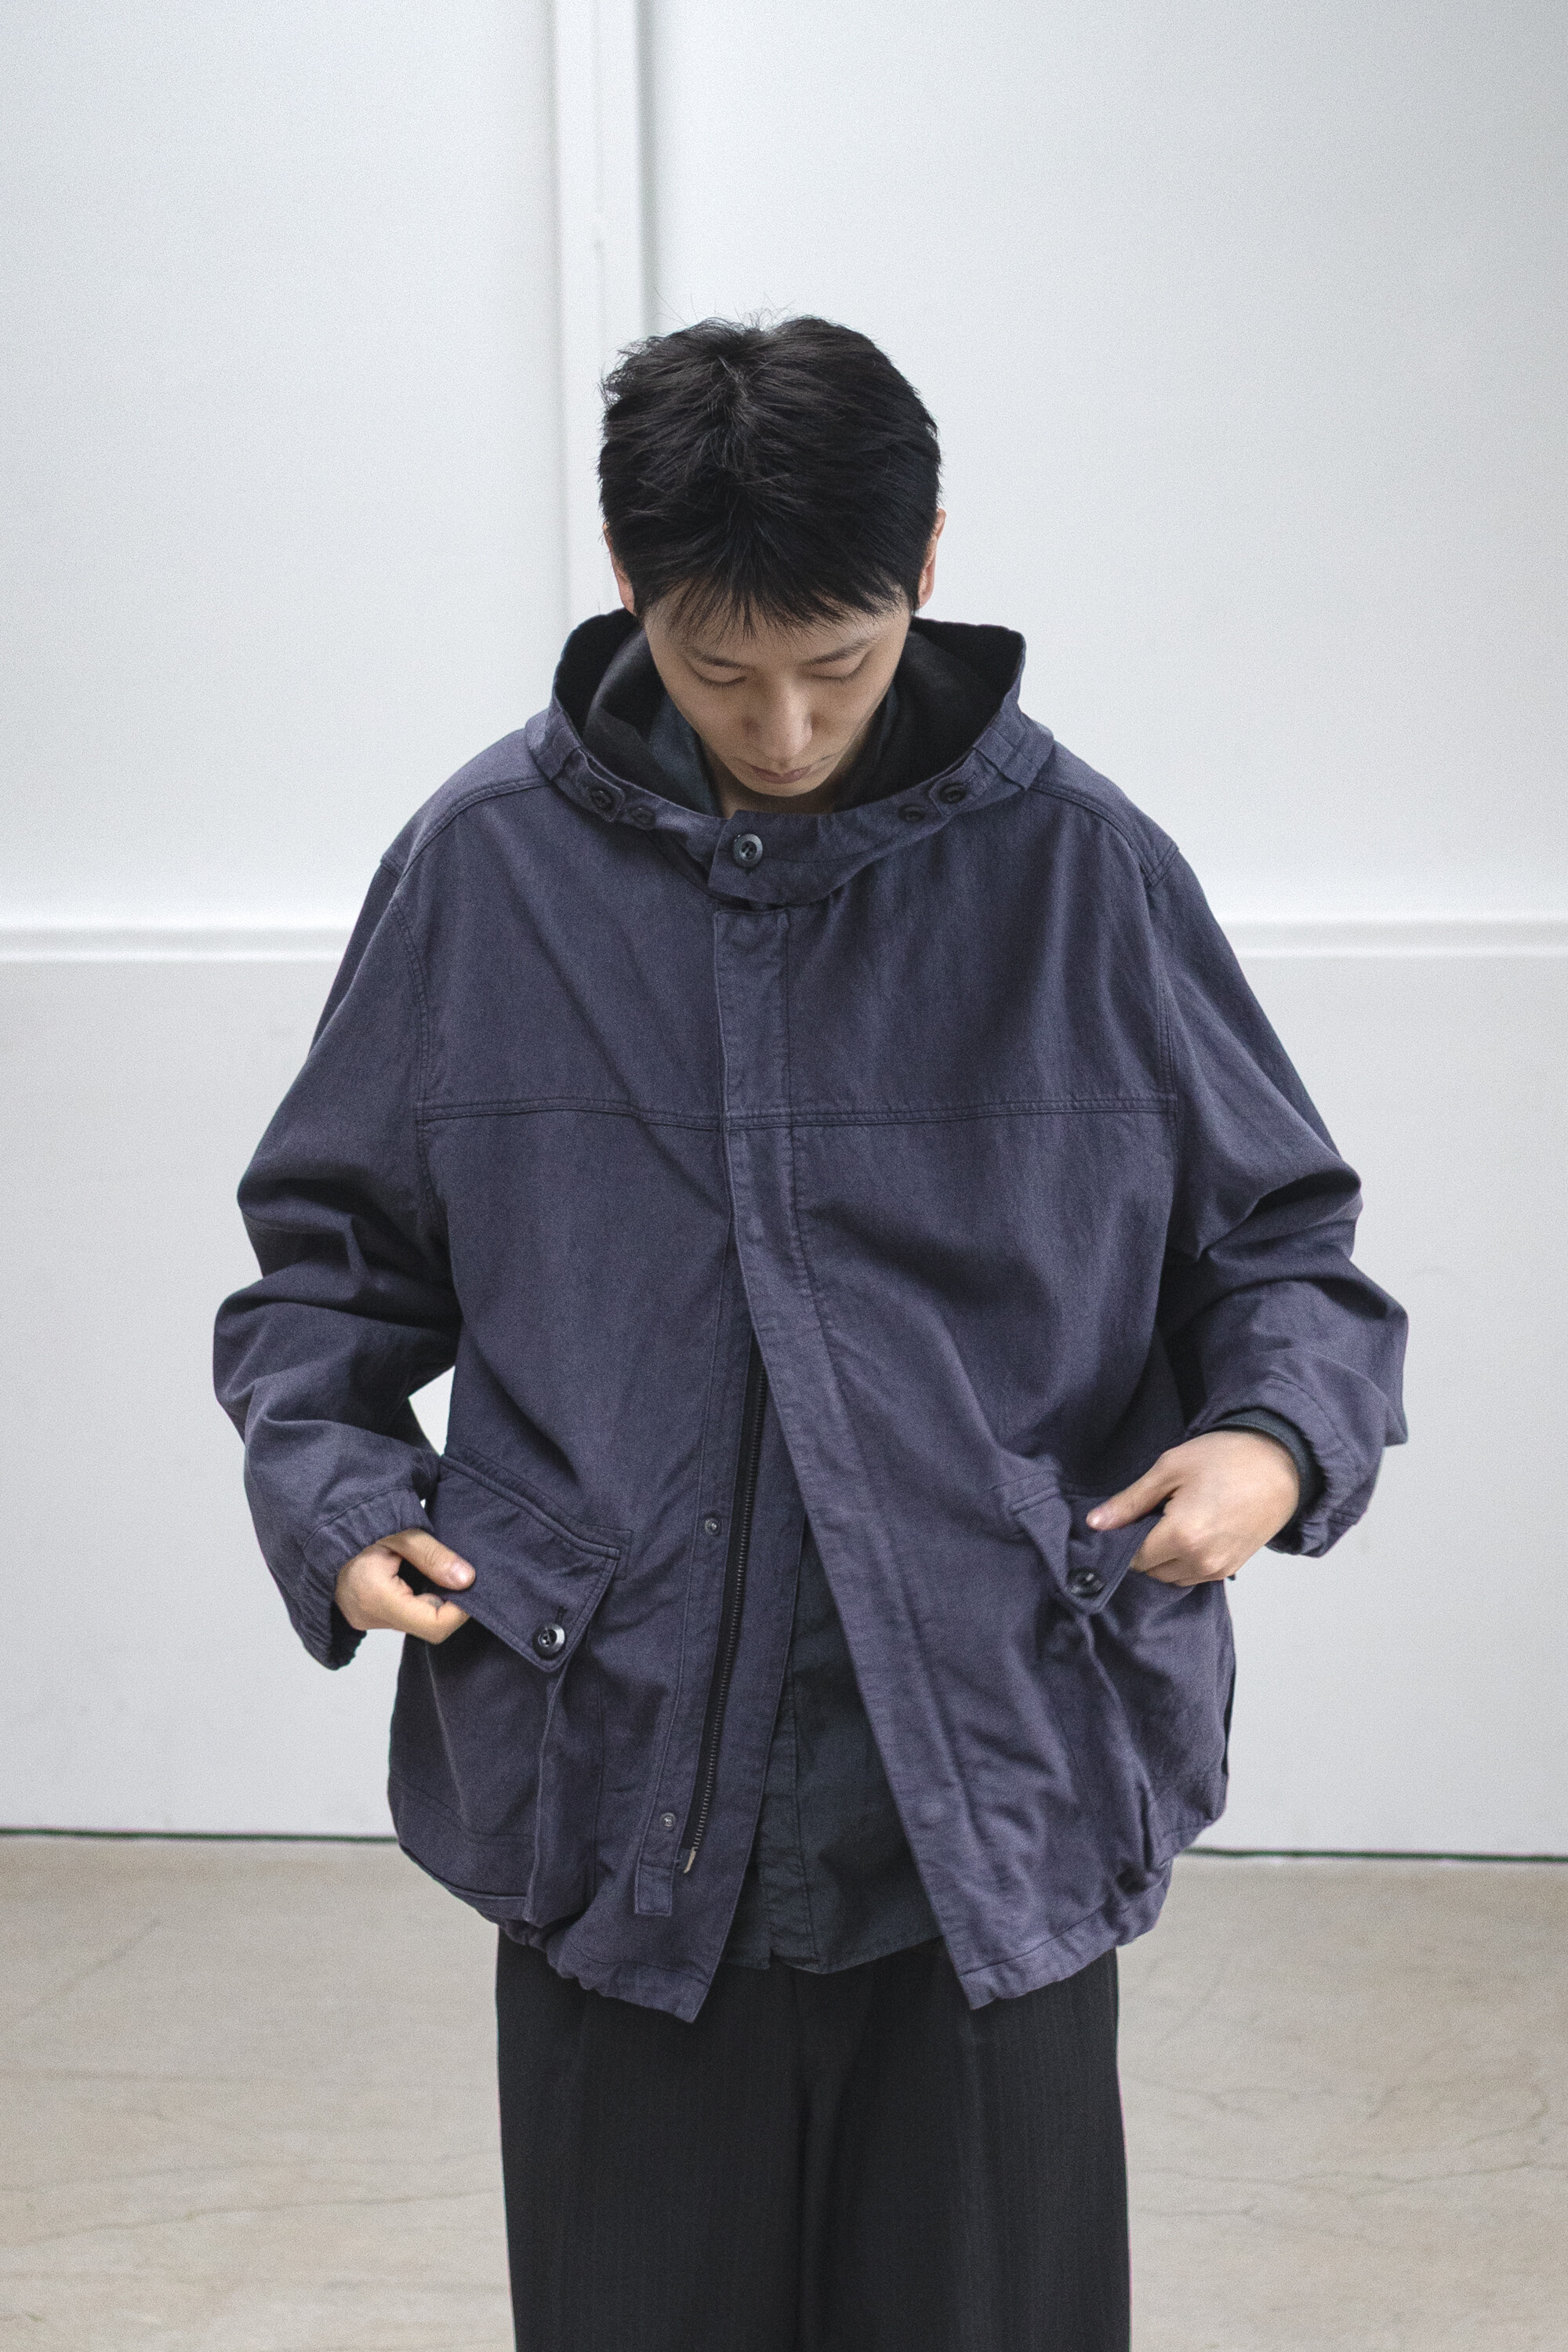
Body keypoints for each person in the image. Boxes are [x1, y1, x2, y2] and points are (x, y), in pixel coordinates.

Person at [214, 316, 1407, 2352]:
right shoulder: (488, 873)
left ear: (925, 565)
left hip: (991, 1782)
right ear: (628, 585)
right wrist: (337, 1503)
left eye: (837, 666)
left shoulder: (1080, 874)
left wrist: (1273, 1442)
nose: (782, 728)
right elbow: (322, 1274)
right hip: (614, 1783)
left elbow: (1287, 1253)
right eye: (718, 668)